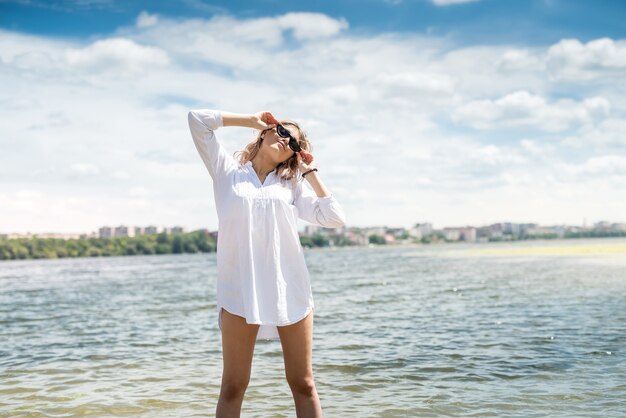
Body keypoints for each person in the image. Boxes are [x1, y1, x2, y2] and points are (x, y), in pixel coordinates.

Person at [187, 108, 346, 417]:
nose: (287, 141)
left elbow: (335, 218)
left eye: (295, 144)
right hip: (239, 292)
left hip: (290, 290)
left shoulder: (292, 186)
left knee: (303, 384)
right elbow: (197, 120)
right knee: (233, 386)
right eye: (282, 133)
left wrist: (309, 172)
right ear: (265, 132)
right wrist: (249, 120)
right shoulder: (227, 172)